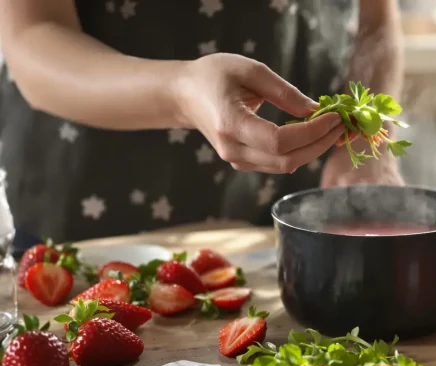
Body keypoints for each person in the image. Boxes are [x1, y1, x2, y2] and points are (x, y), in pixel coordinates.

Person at [0, 0, 405, 243]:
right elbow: (33, 32)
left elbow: (376, 20)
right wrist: (180, 89)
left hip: (291, 199)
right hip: (91, 211)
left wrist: (370, 142)